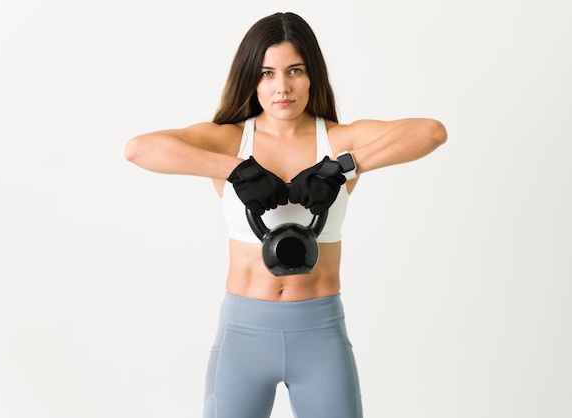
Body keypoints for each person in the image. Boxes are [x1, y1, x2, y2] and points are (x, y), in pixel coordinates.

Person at [124, 11, 447, 418]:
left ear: (312, 75)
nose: (282, 87)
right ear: (251, 79)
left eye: (294, 71)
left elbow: (431, 132)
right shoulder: (229, 140)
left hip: (320, 333)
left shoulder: (338, 140)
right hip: (243, 335)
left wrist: (342, 167)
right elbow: (138, 149)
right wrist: (235, 169)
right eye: (267, 73)